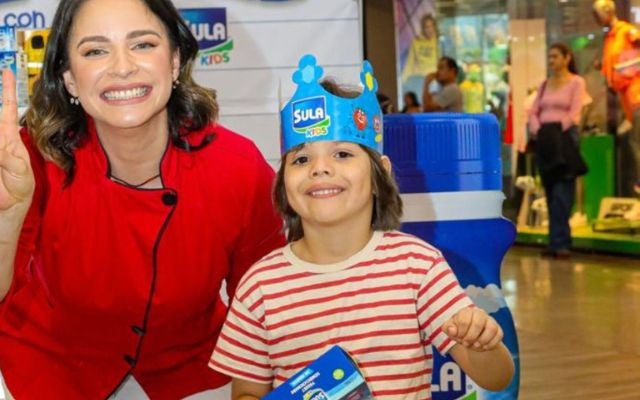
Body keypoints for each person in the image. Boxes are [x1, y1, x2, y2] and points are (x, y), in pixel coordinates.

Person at [0, 0, 285, 398]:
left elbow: (264, 305)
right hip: (54, 373)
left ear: (174, 61)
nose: (122, 67)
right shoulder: (31, 157)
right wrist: (6, 212)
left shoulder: (236, 165)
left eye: (143, 45)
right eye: (95, 50)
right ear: (69, 78)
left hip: (191, 373)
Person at [208, 54, 515, 399]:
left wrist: (482, 342)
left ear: (379, 173)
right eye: (302, 159)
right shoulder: (260, 286)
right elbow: (245, 392)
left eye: (342, 154)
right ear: (282, 181)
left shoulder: (416, 266)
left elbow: (497, 378)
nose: (320, 168)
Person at [528, 43, 589, 259]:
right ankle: (555, 241)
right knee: (551, 189)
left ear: (567, 57)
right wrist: (538, 129)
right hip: (545, 139)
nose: (552, 61)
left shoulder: (576, 82)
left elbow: (575, 112)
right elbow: (534, 110)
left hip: (564, 138)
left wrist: (555, 129)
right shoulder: (545, 84)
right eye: (550, 57)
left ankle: (562, 241)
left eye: (555, 56)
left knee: (564, 190)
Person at [593, 0, 640, 196]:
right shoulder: (610, 38)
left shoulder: (627, 32)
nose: (596, 19)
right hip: (627, 100)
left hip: (637, 94)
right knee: (633, 142)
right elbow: (611, 67)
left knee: (637, 142)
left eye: (597, 14)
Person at [401, 14, 442, 101]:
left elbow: (441, 62)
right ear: (423, 29)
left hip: (434, 79)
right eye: (427, 27)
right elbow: (410, 62)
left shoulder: (438, 41)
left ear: (434, 27)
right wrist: (403, 80)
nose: (429, 29)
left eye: (431, 26)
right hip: (419, 79)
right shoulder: (416, 42)